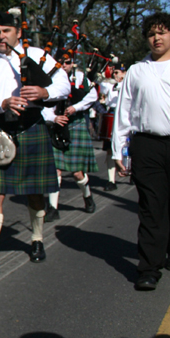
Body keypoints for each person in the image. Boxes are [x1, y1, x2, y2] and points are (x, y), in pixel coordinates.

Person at [0, 11, 70, 277]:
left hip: (32, 127)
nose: (1, 36)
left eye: (6, 31)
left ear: (18, 32)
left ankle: (37, 240)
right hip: (1, 129)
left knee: (34, 192)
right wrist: (2, 103)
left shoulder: (37, 56)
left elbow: (63, 83)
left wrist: (45, 92)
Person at [113, 12, 170, 291]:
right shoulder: (138, 71)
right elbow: (124, 111)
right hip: (147, 145)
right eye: (151, 33)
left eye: (161, 32)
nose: (156, 38)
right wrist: (119, 150)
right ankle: (149, 267)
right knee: (151, 207)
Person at [42, 57, 98, 221]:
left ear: (72, 63)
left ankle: (87, 196)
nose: (63, 65)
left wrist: (76, 107)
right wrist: (53, 118)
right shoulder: (50, 78)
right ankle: (53, 208)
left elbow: (92, 96)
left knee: (77, 173)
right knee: (56, 169)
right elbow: (44, 102)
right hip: (57, 126)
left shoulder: (81, 78)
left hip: (75, 125)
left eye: (66, 62)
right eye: (60, 62)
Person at [99, 65, 126, 191]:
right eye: (114, 72)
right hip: (112, 115)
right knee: (110, 148)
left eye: (117, 72)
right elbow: (102, 86)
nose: (115, 75)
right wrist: (102, 76)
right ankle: (111, 180)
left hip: (125, 116)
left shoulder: (128, 84)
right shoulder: (109, 85)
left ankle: (131, 171)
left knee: (128, 146)